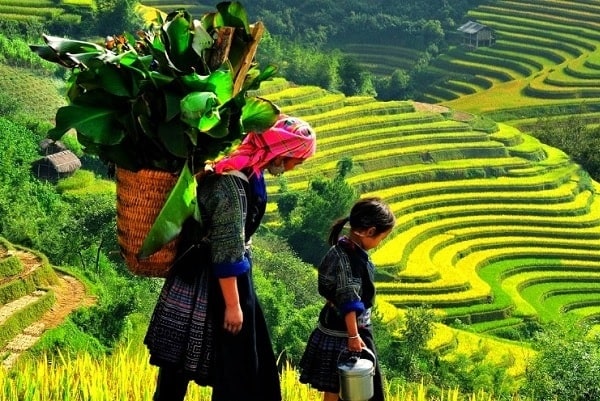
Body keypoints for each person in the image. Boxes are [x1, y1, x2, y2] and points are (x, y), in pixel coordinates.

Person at [144, 114, 317, 401]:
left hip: (212, 275)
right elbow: (226, 249)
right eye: (295, 160)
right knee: (212, 366)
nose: (293, 167)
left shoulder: (248, 171)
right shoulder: (231, 186)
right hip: (209, 280)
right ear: (280, 153)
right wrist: (234, 306)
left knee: (187, 365)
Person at [299, 197, 396, 401]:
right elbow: (348, 299)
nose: (380, 243)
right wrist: (353, 336)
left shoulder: (339, 249)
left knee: (334, 388)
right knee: (359, 389)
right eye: (381, 238)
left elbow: (331, 289)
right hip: (349, 333)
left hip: (332, 326)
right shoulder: (349, 259)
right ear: (370, 232)